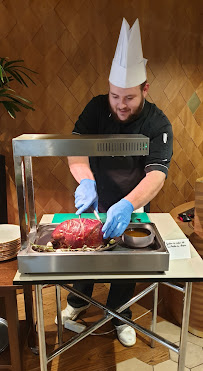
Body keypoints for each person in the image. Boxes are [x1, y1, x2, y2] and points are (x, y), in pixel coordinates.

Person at [56, 18, 173, 347]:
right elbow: (75, 150)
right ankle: (77, 305)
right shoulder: (96, 107)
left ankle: (119, 314)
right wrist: (85, 182)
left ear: (145, 90)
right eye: (115, 95)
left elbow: (157, 174)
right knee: (85, 259)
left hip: (132, 203)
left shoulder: (158, 122)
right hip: (94, 197)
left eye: (130, 98)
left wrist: (126, 204)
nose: (121, 104)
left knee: (126, 262)